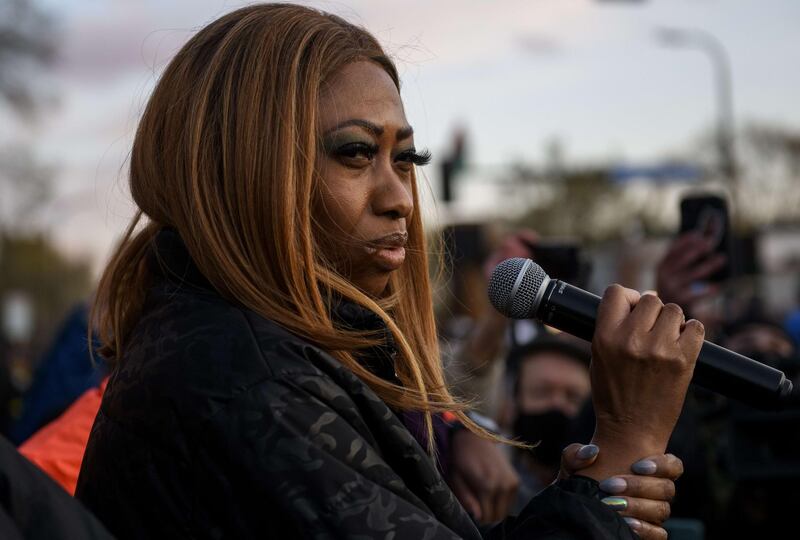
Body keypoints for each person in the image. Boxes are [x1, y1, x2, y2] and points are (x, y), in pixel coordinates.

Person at [75, 5, 704, 539]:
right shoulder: (245, 382)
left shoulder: (263, 352)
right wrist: (624, 444)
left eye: (406, 158)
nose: (400, 197)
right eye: (355, 153)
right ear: (242, 169)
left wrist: (585, 497)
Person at [506, 335, 592, 511]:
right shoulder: (480, 473)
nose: (557, 404)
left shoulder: (598, 490)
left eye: (573, 396)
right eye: (541, 392)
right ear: (514, 401)